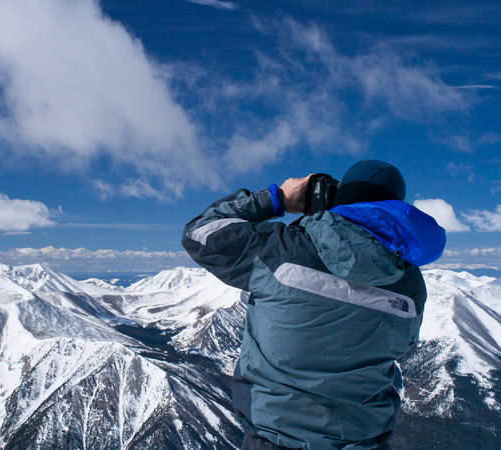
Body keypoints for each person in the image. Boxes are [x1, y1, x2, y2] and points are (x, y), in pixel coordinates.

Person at [181, 160, 446, 450]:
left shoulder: (280, 249)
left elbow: (201, 233)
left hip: (275, 439)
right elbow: (405, 344)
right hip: (365, 442)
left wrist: (276, 199)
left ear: (339, 197)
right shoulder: (410, 285)